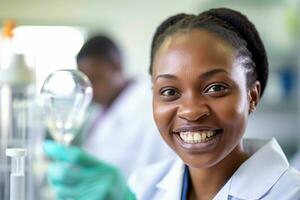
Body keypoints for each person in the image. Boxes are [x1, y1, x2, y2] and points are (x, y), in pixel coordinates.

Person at [44, 8, 300, 200]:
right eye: (169, 91)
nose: (191, 110)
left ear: (252, 97)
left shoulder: (289, 193)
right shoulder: (143, 185)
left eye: (215, 88)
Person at [43, 35, 174, 199]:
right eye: (85, 82)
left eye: (96, 79)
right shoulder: (101, 108)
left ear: (116, 67)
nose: (91, 90)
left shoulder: (148, 111)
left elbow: (162, 179)